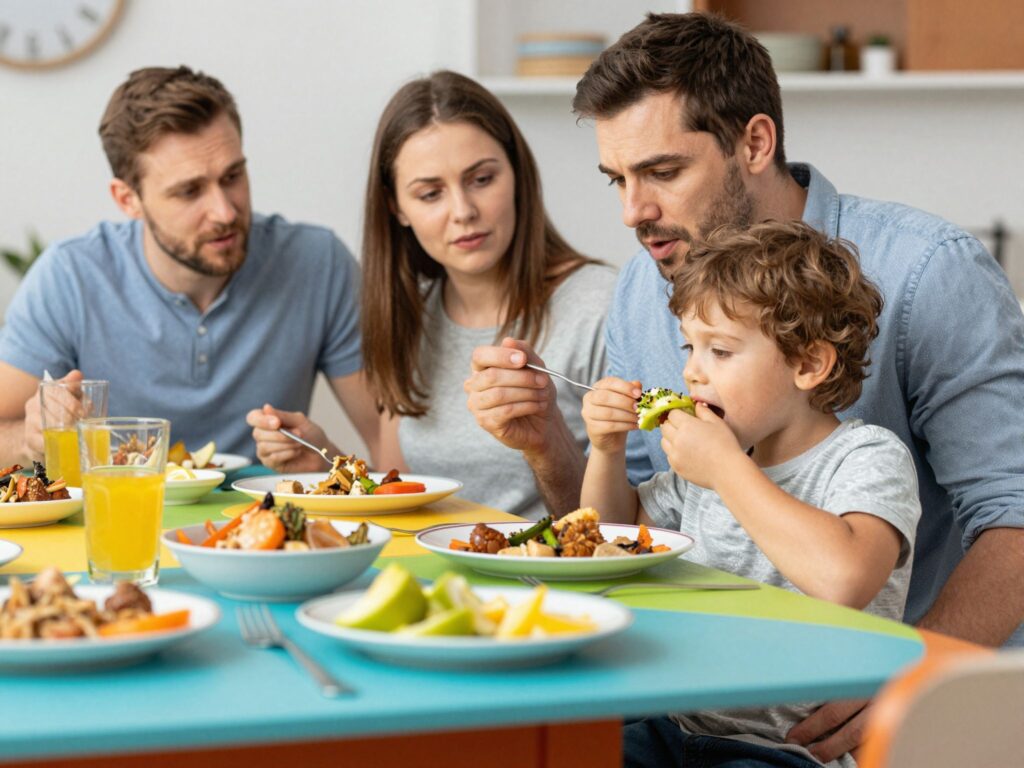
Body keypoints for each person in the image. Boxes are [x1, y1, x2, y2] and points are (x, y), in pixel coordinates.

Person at [464, 11, 1024, 760]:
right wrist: (550, 447)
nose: (634, 212)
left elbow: (1016, 521)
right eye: (618, 180)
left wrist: (911, 677)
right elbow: (629, 532)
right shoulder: (645, 287)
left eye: (663, 172)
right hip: (692, 704)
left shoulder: (931, 273)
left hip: (876, 713)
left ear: (755, 143)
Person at [583, 220, 920, 768]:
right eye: (690, 347)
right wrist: (606, 449)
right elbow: (607, 539)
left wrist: (724, 470)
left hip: (788, 753)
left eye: (720, 350)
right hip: (675, 726)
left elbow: (845, 578)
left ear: (808, 364)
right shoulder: (705, 471)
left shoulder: (866, 459)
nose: (692, 372)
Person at [248, 71, 616, 520]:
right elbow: (398, 489)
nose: (463, 212)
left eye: (481, 179)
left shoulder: (600, 306)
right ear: (396, 208)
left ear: (517, 174)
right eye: (430, 194)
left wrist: (546, 445)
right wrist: (322, 460)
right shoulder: (408, 313)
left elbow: (628, 527)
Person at [0, 66, 385, 465]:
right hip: (115, 519)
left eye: (233, 175)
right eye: (189, 191)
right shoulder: (71, 277)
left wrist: (324, 461)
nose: (224, 211)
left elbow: (392, 449)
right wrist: (29, 440)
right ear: (127, 199)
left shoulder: (317, 264)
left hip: (266, 523)